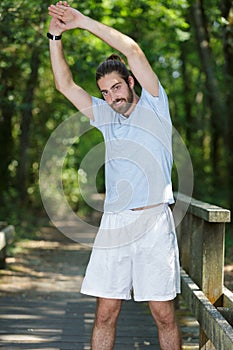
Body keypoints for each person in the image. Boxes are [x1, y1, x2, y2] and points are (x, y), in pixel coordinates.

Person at [48, 2, 182, 349]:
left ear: (131, 82)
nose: (112, 97)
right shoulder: (105, 115)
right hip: (115, 225)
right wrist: (55, 36)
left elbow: (132, 49)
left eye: (116, 88)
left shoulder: (155, 103)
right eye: (105, 92)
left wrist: (82, 22)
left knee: (163, 314)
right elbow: (65, 84)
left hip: (154, 222)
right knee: (105, 312)